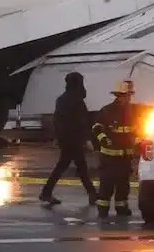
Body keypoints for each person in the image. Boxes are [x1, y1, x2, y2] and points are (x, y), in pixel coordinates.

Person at [38, 72, 98, 208]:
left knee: (70, 166)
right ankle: (92, 193)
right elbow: (82, 121)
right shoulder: (77, 100)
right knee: (77, 167)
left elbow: (57, 120)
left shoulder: (62, 99)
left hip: (66, 139)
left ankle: (91, 193)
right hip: (75, 139)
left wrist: (59, 137)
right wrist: (87, 138)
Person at [92, 80, 137, 217]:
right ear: (118, 96)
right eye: (126, 95)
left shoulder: (133, 112)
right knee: (107, 184)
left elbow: (138, 131)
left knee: (123, 185)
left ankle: (121, 208)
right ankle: (103, 209)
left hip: (125, 157)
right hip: (109, 158)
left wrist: (138, 144)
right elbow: (97, 128)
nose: (128, 98)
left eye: (129, 95)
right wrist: (103, 140)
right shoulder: (107, 110)